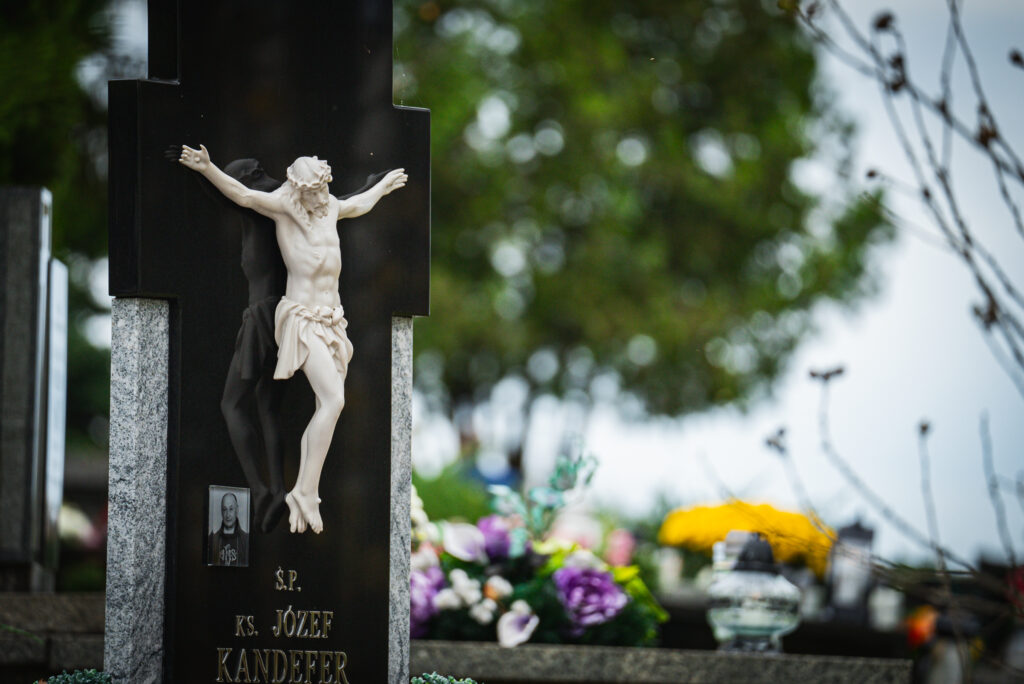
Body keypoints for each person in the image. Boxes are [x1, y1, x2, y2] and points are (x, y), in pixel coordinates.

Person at [180, 144, 407, 534]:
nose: (322, 197)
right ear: (300, 189)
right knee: (334, 400)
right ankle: (307, 493)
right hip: (301, 318)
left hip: (333, 319)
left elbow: (357, 205)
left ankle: (302, 491)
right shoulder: (283, 206)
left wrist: (382, 188)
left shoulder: (329, 206)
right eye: (315, 191)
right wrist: (207, 168)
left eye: (324, 189)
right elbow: (243, 195)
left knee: (325, 404)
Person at [209, 492, 249, 566]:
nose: (227, 514)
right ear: (221, 511)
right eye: (224, 509)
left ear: (237, 510)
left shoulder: (246, 540)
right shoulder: (211, 540)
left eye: (231, 509)